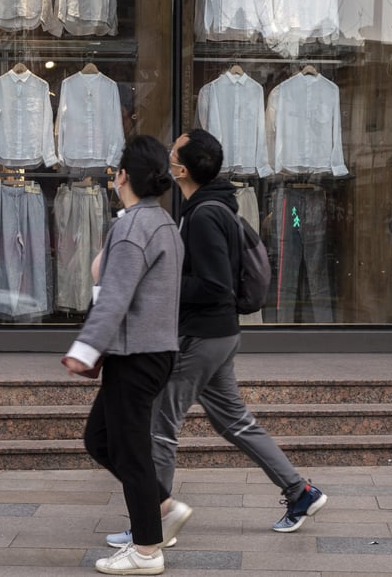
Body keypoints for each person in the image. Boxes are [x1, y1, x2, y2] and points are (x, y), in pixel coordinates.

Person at [105, 129, 326, 550]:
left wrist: (159, 282)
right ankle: (301, 492)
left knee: (160, 425)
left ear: (182, 170)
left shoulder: (204, 215)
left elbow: (213, 285)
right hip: (219, 334)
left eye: (171, 155)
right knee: (234, 421)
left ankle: (151, 525)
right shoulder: (210, 206)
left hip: (204, 335)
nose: (166, 160)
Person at [62, 135, 188, 576]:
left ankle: (147, 550)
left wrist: (83, 349)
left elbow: (114, 297)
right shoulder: (162, 224)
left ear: (122, 177)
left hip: (136, 354)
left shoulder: (134, 226)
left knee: (130, 451)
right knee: (100, 439)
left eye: (116, 172)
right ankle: (164, 507)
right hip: (150, 352)